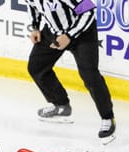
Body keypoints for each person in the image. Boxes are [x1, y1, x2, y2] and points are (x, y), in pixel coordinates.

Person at [24, 0, 116, 143]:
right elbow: (32, 5)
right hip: (54, 32)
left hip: (82, 33)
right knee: (36, 66)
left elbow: (88, 11)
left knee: (89, 75)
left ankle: (107, 117)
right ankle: (61, 105)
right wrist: (35, 27)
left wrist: (69, 36)